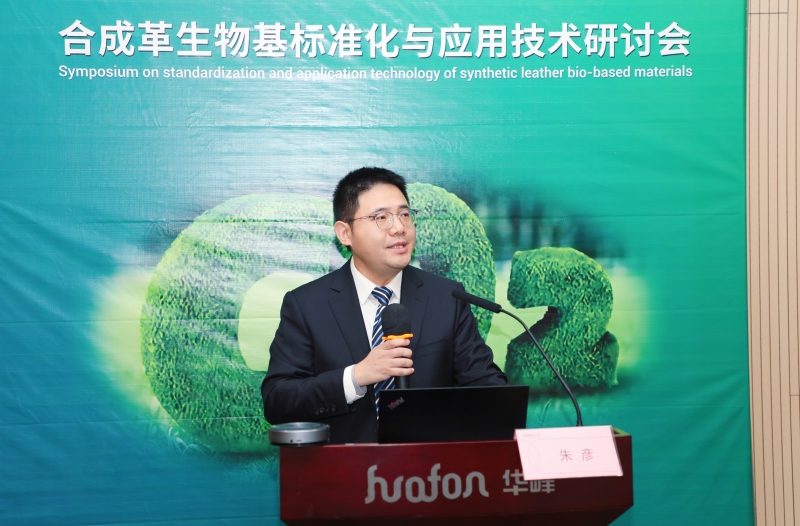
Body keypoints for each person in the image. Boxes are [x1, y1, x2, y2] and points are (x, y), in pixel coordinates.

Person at [261, 167, 506, 443]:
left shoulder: (447, 298)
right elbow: (278, 400)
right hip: (343, 465)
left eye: (404, 215)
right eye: (381, 218)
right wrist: (356, 377)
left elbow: (487, 387)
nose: (399, 227)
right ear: (345, 233)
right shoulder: (306, 305)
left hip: (430, 465)